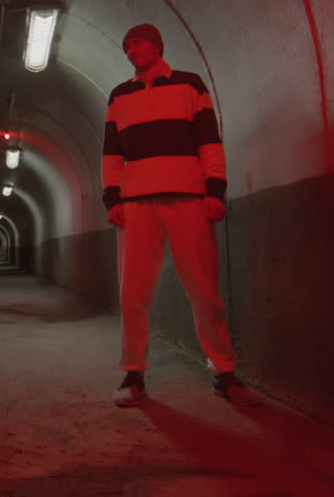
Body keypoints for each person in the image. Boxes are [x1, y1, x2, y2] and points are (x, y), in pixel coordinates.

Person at [102, 23, 261, 408]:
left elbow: (209, 141)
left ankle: (224, 371)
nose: (130, 50)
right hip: (137, 201)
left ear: (156, 45)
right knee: (132, 293)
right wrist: (112, 199)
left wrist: (215, 190)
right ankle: (133, 373)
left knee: (204, 290)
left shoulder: (191, 86)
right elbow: (111, 153)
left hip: (188, 198)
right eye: (125, 46)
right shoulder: (120, 96)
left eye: (136, 42)